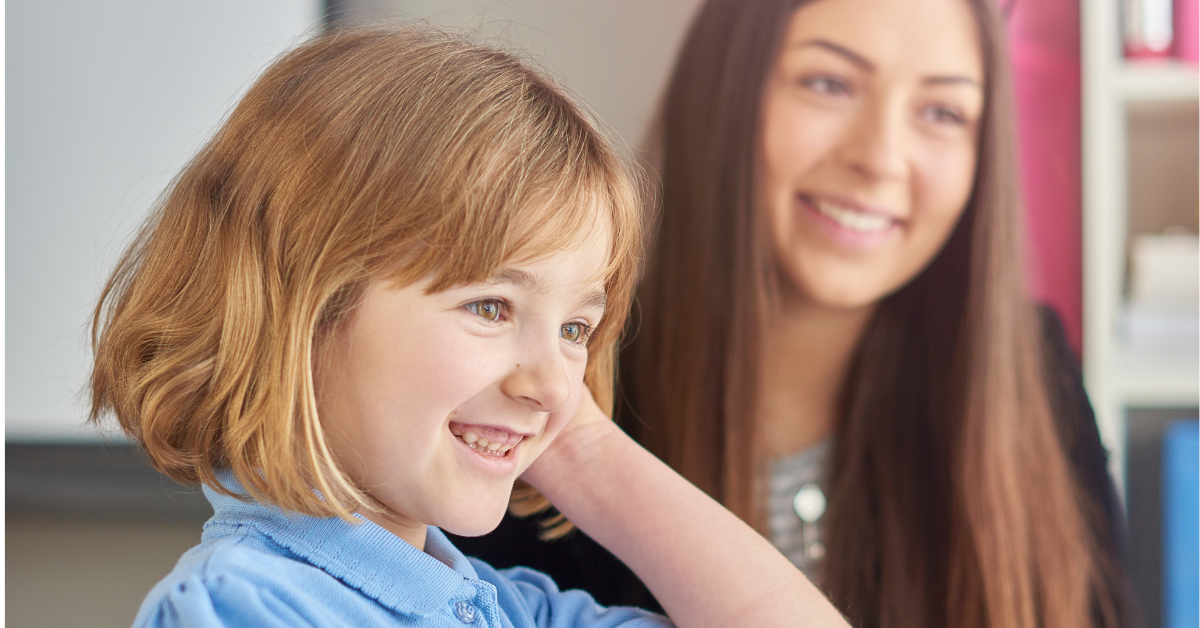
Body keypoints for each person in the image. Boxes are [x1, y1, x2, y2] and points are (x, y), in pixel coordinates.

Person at [87, 25, 849, 628]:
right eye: (492, 306)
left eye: (576, 329)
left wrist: (582, 449)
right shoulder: (249, 608)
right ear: (306, 310)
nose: (553, 382)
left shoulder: (515, 611)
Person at [451, 0, 1139, 626]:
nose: (879, 158)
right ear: (724, 90)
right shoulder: (546, 391)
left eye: (943, 113)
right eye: (829, 84)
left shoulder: (1031, 369)